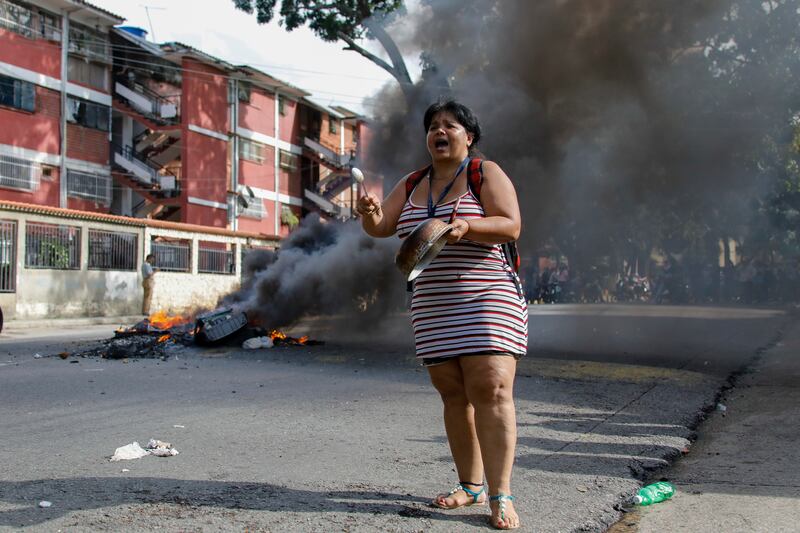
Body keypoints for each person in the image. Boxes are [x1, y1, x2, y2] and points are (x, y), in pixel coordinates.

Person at [357, 100, 528, 530]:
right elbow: (382, 227)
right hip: (433, 305)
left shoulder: (485, 173)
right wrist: (370, 213)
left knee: (491, 388)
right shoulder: (413, 182)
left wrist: (468, 227)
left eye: (450, 125)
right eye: (433, 125)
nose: (439, 131)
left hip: (486, 297)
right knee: (453, 394)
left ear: (469, 136)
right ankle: (470, 486)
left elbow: (510, 225)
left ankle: (500, 494)